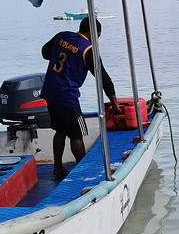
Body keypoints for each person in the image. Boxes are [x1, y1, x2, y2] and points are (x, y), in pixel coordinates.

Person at [40, 17, 121, 179]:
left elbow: (45, 53)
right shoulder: (88, 49)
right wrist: (115, 104)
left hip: (50, 90)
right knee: (76, 135)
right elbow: (103, 78)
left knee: (60, 130)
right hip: (67, 96)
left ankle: (57, 168)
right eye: (98, 36)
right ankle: (83, 172)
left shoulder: (62, 36)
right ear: (94, 32)